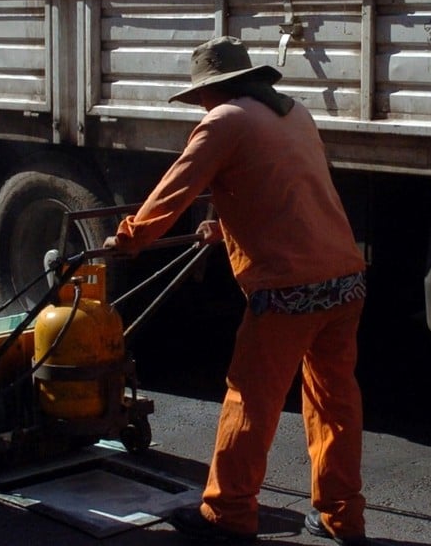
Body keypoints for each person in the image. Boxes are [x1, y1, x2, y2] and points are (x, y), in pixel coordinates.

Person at [102, 36, 376, 545]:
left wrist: (130, 237)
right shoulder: (293, 113)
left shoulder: (224, 120)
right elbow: (281, 189)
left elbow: (176, 187)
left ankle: (227, 513)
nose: (201, 103)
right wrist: (223, 226)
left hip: (288, 287)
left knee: (251, 398)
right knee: (334, 401)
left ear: (216, 88)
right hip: (342, 280)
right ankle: (343, 518)